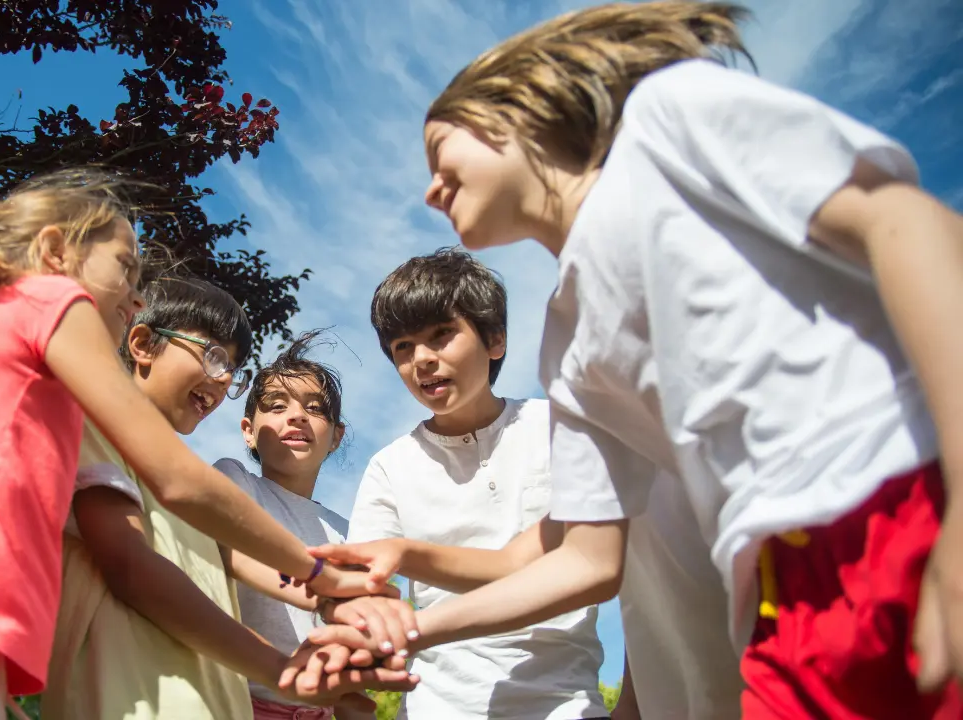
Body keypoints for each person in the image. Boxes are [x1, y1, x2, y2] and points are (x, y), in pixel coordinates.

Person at [304, 3, 963, 718]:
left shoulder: (666, 120)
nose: (432, 189)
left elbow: (904, 221)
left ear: (512, 118)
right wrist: (409, 631)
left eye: (441, 155)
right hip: (780, 595)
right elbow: (587, 560)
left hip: (901, 499)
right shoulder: (569, 342)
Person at [0, 168, 414, 719]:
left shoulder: (26, 379)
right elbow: (175, 482)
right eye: (125, 269)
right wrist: (327, 576)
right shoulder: (45, 299)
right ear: (54, 251)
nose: (132, 299)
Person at [44, 280, 413, 720]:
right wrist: (306, 616)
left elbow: (231, 560)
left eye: (232, 370)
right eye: (214, 356)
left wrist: (326, 602)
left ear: (337, 436)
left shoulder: (182, 487)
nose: (222, 379)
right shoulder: (197, 476)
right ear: (248, 430)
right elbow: (153, 563)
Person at [337, 248, 608, 719]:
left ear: (495, 339)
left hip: (567, 705)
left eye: (441, 335)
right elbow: (359, 589)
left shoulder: (560, 429)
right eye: (403, 347)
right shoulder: (390, 466)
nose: (422, 359)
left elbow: (602, 566)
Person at [315, 468, 744, 719]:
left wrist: (411, 630)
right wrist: (402, 553)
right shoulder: (615, 454)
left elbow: (592, 569)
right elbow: (514, 564)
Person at [217, 330, 413, 720]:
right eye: (276, 405)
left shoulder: (349, 533)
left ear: (336, 437)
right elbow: (229, 551)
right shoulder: (234, 480)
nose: (296, 416)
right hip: (237, 703)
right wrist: (321, 588)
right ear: (248, 431)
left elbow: (350, 667)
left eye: (315, 408)